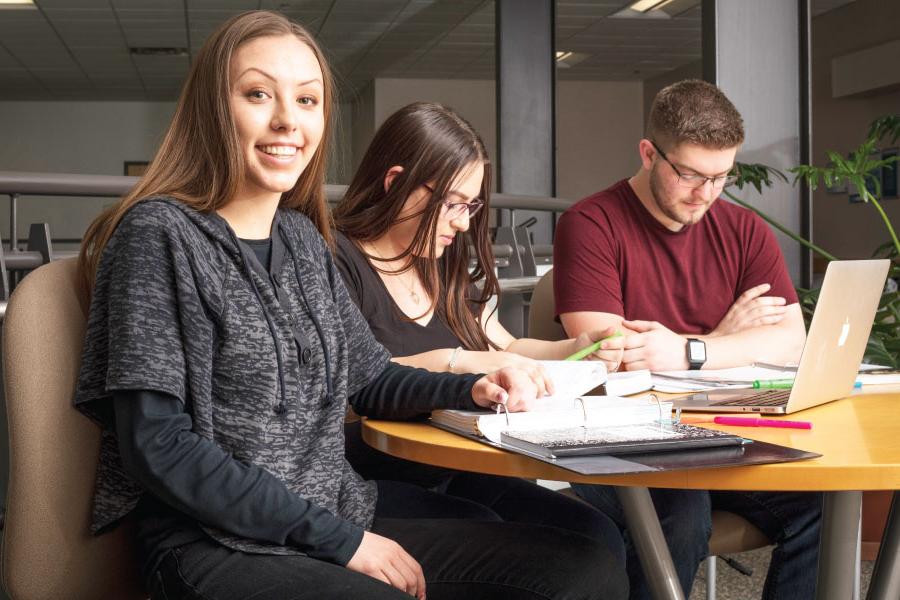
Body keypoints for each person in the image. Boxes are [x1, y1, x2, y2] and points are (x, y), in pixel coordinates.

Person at [73, 11, 628, 600]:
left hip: (333, 509)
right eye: (258, 94)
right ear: (215, 108)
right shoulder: (158, 235)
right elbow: (157, 446)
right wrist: (342, 542)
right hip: (212, 544)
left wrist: (470, 389)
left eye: (307, 100)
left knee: (583, 566)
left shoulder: (303, 241)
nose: (288, 120)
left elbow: (371, 381)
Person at [553, 79, 822, 599]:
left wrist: (690, 349)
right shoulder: (591, 223)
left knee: (816, 502)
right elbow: (610, 354)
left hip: (717, 429)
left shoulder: (744, 230)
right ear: (649, 153)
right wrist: (726, 338)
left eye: (722, 177)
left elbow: (791, 338)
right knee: (679, 511)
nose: (706, 194)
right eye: (691, 175)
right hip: (617, 439)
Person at [331, 102, 626, 560]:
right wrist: (461, 361)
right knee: (513, 545)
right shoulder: (335, 262)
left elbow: (503, 346)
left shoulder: (441, 261)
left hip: (461, 462)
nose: (464, 222)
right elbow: (353, 383)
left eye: (470, 205)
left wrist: (573, 348)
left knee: (597, 536)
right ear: (395, 184)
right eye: (452, 203)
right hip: (378, 473)